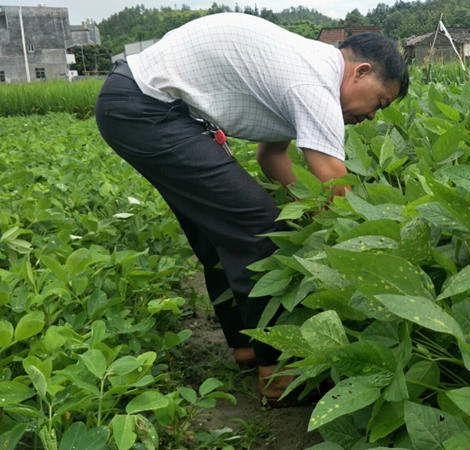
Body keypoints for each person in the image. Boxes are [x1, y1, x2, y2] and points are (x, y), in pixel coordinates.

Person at [95, 12, 409, 405]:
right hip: (149, 108)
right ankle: (280, 376)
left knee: (218, 227)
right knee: (259, 226)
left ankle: (247, 347)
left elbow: (271, 156)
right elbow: (336, 187)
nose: (371, 117)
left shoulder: (304, 65)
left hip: (139, 104)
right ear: (361, 71)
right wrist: (373, 258)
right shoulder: (316, 80)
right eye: (379, 102)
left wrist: (308, 207)